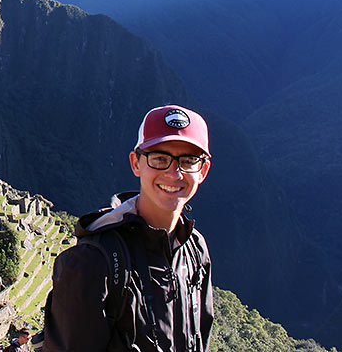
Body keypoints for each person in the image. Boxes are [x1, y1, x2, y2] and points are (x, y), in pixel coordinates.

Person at [43, 105, 214, 352]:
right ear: (136, 163)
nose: (174, 173)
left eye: (188, 161)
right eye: (159, 159)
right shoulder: (93, 262)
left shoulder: (195, 249)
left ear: (203, 171)